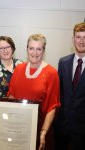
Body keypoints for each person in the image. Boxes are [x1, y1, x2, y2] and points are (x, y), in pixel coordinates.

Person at [8, 34, 60, 150]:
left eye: (39, 49)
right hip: (18, 127)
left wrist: (43, 132)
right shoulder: (19, 69)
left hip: (40, 129)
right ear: (27, 49)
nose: (34, 53)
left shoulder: (51, 73)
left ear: (44, 51)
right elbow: (11, 96)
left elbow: (53, 106)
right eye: (31, 48)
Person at [53, 22, 85, 150]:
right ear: (73, 39)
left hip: (83, 129)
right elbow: (58, 92)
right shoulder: (63, 62)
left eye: (84, 37)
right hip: (61, 125)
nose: (81, 41)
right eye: (78, 37)